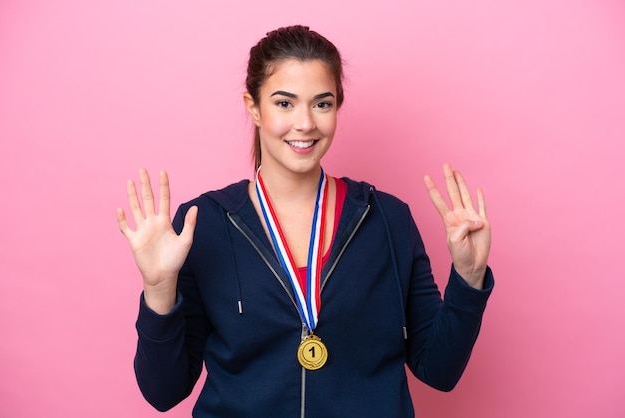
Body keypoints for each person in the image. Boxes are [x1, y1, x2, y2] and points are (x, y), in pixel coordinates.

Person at [117, 25, 494, 418]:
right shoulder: (205, 224)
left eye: (322, 104)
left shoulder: (388, 219)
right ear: (253, 107)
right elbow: (164, 392)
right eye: (284, 103)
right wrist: (159, 290)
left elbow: (439, 370)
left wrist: (469, 279)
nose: (305, 123)